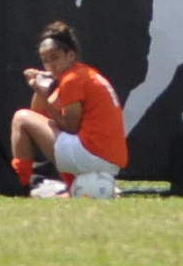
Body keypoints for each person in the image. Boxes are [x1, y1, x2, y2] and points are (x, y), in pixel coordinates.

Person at [9, 18, 127, 197]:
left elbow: (69, 127)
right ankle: (72, 188)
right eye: (45, 61)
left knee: (20, 117)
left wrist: (44, 98)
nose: (50, 65)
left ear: (71, 55)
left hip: (93, 155)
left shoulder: (72, 79)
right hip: (109, 160)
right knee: (30, 120)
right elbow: (38, 115)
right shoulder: (80, 74)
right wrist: (41, 89)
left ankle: (20, 184)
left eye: (54, 58)